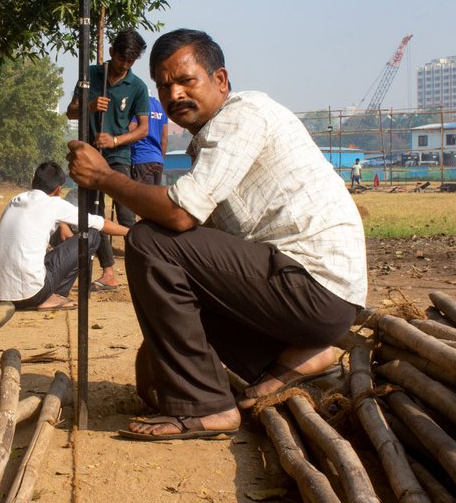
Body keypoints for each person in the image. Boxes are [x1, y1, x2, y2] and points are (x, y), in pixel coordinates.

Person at [67, 29, 367, 440]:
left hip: (312, 287)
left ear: (220, 80)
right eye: (164, 86)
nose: (174, 95)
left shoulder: (243, 115)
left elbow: (179, 214)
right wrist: (157, 349)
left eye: (186, 81)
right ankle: (291, 360)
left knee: (149, 241)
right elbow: (195, 267)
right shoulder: (213, 140)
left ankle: (209, 406)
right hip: (304, 295)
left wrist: (103, 176)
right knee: (168, 258)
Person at [66, 29, 151, 291]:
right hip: (90, 157)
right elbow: (70, 112)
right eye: (121, 59)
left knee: (127, 213)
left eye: (130, 62)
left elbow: (143, 129)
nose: (124, 66)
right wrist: (89, 107)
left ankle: (142, 270)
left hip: (118, 157)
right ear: (111, 52)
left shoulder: (137, 86)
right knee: (95, 215)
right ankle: (109, 272)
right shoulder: (89, 75)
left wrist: (114, 141)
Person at [0, 162, 128, 311]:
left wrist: (62, 224)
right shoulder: (54, 204)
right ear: (58, 190)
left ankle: (48, 293)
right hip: (32, 295)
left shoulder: (15, 200)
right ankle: (56, 295)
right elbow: (102, 223)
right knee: (92, 235)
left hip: (2, 293)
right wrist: (131, 232)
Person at [130, 95, 169, 185]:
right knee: (153, 197)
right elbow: (164, 140)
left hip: (141, 158)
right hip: (158, 161)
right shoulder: (160, 107)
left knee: (142, 197)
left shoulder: (139, 105)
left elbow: (131, 130)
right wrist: (160, 160)